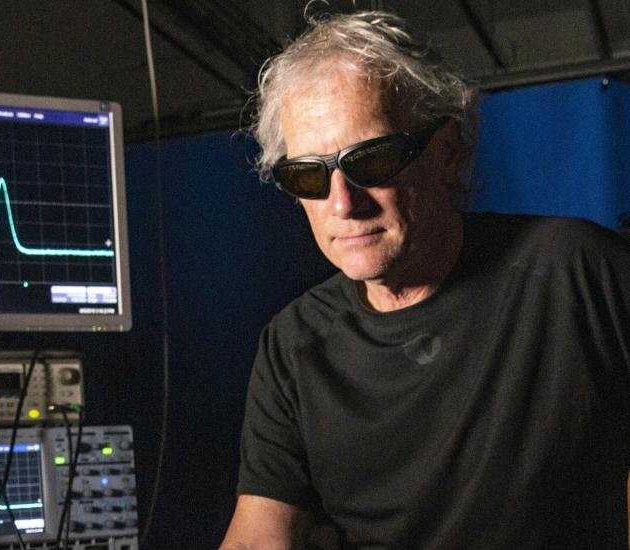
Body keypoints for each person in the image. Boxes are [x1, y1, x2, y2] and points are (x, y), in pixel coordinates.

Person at [220, 10, 630, 550]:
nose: (342, 203)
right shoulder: (293, 345)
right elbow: (259, 538)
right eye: (308, 174)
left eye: (373, 160)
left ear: (449, 154)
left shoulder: (579, 273)